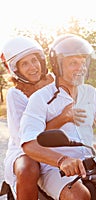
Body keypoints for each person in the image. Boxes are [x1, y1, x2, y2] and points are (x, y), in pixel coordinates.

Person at [19, 34, 96, 200]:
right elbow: (29, 144)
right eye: (73, 63)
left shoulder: (91, 93)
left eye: (83, 62)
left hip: (91, 160)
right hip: (55, 167)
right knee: (79, 195)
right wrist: (62, 160)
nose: (81, 68)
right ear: (58, 66)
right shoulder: (41, 98)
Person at [1, 36, 56, 199]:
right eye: (24, 64)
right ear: (16, 70)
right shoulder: (15, 94)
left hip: (58, 144)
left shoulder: (56, 84)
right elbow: (22, 137)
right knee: (27, 169)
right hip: (26, 148)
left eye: (34, 60)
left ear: (41, 61)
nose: (32, 67)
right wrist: (61, 120)